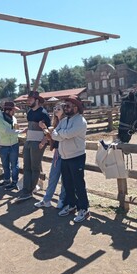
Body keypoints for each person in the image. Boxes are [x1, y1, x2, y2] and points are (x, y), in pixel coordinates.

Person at [51, 95, 90, 223]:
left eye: (67, 106)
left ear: (76, 107)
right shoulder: (64, 121)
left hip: (76, 156)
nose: (65, 108)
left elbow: (65, 134)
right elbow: (54, 134)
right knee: (67, 183)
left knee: (79, 184)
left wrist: (61, 134)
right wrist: (62, 135)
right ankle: (72, 204)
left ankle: (84, 208)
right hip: (65, 156)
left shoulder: (80, 121)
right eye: (64, 106)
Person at [16, 91, 51, 202]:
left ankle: (29, 191)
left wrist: (43, 142)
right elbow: (31, 126)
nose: (28, 101)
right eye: (28, 99)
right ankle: (26, 189)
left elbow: (49, 130)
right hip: (29, 141)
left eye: (30, 99)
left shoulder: (43, 113)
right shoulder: (30, 112)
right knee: (26, 166)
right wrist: (27, 130)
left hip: (37, 142)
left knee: (34, 167)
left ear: (37, 100)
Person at [34, 103, 66, 208]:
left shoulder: (66, 122)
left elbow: (59, 137)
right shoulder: (56, 123)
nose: (56, 110)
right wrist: (45, 129)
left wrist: (46, 129)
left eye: (58, 109)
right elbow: (52, 137)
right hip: (58, 152)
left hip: (66, 152)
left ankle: (61, 199)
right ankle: (47, 199)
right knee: (53, 176)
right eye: (55, 108)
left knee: (64, 178)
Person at [0, 101, 26, 190]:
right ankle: (7, 180)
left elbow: (15, 129)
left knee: (14, 164)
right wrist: (21, 132)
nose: (14, 112)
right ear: (8, 110)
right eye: (13, 110)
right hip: (3, 145)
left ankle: (14, 181)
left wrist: (19, 133)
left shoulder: (14, 118)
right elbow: (6, 131)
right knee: (5, 164)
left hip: (14, 144)